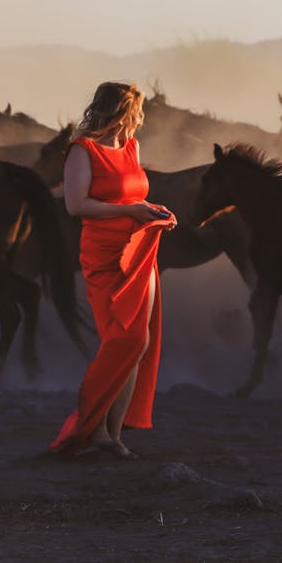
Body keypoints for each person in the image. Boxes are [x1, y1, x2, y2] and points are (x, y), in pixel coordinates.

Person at [50, 81, 176, 459]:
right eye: (139, 112)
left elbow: (131, 195)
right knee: (122, 339)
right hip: (103, 255)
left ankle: (112, 436)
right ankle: (89, 428)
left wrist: (153, 211)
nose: (142, 119)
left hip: (139, 250)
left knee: (140, 341)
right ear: (125, 111)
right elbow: (77, 206)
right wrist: (131, 211)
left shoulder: (131, 147)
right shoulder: (82, 150)